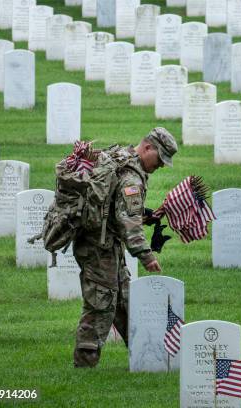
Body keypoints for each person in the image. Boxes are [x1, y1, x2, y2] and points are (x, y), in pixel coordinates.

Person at [72, 127, 178, 368]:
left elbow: (118, 211)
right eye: (160, 159)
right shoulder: (131, 177)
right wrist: (146, 256)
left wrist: (146, 215)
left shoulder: (122, 156)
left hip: (105, 245)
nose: (161, 165)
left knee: (124, 300)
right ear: (148, 147)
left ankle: (147, 358)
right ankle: (84, 366)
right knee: (100, 304)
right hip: (98, 248)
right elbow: (129, 221)